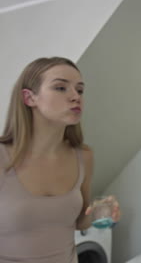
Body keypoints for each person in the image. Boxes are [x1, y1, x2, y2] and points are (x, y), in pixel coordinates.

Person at [0, 57, 121, 262]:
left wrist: (96, 214)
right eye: (61, 88)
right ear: (29, 98)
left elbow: (78, 222)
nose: (76, 96)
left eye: (80, 90)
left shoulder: (84, 156)